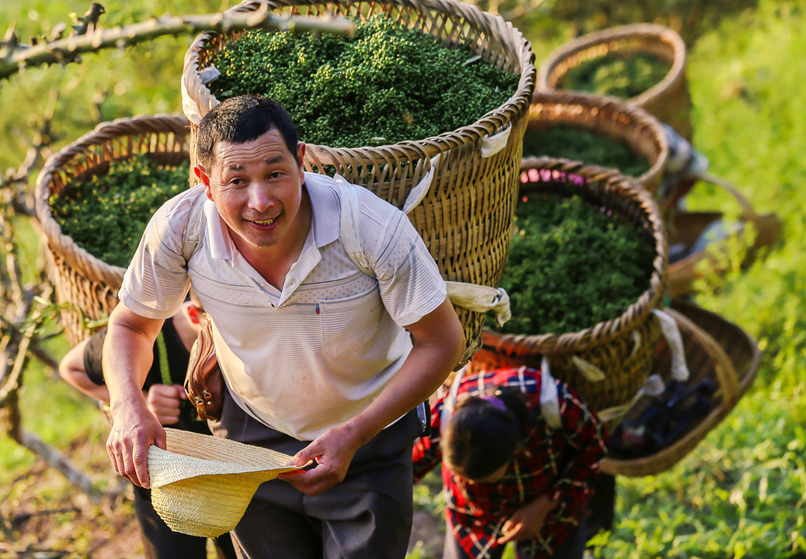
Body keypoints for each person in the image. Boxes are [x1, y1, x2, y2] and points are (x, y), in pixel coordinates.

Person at [102, 94, 466, 558]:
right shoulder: (181, 229)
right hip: (252, 443)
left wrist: (355, 433)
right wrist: (128, 406)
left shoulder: (370, 229)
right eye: (236, 181)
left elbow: (441, 341)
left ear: (301, 160)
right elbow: (132, 326)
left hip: (367, 439)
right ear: (205, 183)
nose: (260, 201)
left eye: (275, 173)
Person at [58, 299, 237, 559]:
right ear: (194, 314)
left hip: (235, 477)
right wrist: (140, 400)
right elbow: (72, 367)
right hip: (165, 482)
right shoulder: (146, 332)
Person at [413, 366, 607, 559]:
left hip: (553, 513)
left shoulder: (556, 404)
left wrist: (547, 502)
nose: (470, 483)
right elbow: (409, 467)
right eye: (463, 477)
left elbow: (594, 449)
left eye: (484, 479)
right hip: (472, 517)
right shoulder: (445, 415)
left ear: (517, 451)